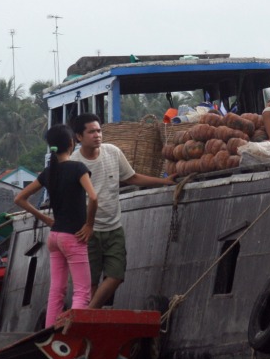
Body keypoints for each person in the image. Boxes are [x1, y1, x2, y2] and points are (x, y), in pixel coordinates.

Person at [70, 113, 175, 309]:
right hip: (87, 232)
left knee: (117, 275)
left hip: (114, 228)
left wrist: (164, 182)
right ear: (79, 137)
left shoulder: (113, 152)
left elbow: (132, 178)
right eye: (91, 132)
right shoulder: (73, 164)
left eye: (99, 131)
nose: (97, 135)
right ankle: (91, 321)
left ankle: (88, 314)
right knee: (90, 282)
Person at [14, 124, 98, 328]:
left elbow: (20, 198)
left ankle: (50, 333)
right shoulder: (78, 168)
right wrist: (89, 225)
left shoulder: (48, 172)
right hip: (73, 237)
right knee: (82, 292)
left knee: (56, 291)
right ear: (71, 143)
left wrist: (46, 220)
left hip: (55, 237)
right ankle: (75, 333)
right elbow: (94, 198)